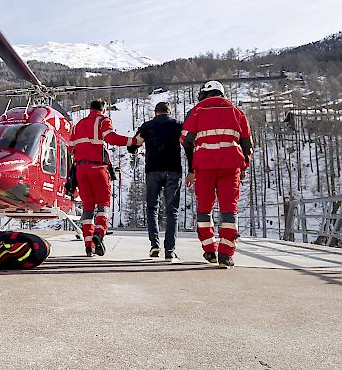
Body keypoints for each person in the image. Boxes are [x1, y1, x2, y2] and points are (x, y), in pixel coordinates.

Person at [180, 81, 253, 268]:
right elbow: (247, 144)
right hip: (230, 167)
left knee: (205, 209)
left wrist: (192, 166)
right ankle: (226, 255)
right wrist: (244, 166)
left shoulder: (196, 111)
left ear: (204, 94)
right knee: (229, 210)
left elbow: (185, 140)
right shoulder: (237, 112)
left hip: (204, 167)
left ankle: (209, 250)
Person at [70, 99, 139, 257]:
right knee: (103, 204)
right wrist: (133, 141)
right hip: (98, 168)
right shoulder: (103, 120)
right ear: (103, 109)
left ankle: (88, 246)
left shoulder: (79, 124)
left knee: (87, 207)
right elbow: (111, 138)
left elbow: (70, 147)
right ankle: (98, 235)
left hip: (81, 169)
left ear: (90, 108)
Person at [128, 101, 183, 261]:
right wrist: (192, 170)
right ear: (169, 112)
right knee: (172, 211)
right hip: (173, 170)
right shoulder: (177, 125)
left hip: (153, 170)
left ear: (155, 112)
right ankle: (170, 251)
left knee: (152, 208)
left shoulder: (147, 126)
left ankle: (154, 245)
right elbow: (187, 144)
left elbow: (133, 146)